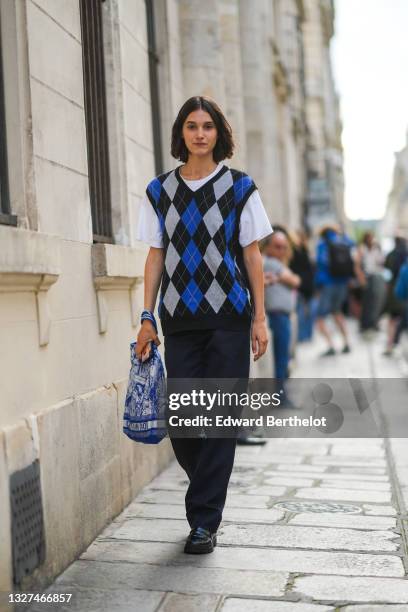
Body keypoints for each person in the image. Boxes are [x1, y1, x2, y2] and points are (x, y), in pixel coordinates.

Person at [135, 96, 272, 554]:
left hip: (231, 316)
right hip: (179, 320)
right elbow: (156, 256)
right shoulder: (159, 191)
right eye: (191, 126)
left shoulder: (240, 187)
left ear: (219, 133)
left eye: (207, 126)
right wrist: (146, 317)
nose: (199, 133)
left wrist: (259, 316)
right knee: (185, 420)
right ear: (181, 133)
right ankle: (208, 488)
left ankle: (203, 523)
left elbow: (252, 256)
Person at [263, 232, 301, 396]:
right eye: (277, 247)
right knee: (281, 357)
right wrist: (287, 277)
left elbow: (296, 280)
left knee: (284, 356)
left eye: (284, 247)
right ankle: (280, 395)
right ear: (268, 247)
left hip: (283, 316)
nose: (282, 251)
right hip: (277, 316)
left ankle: (281, 393)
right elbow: (295, 281)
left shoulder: (279, 264)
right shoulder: (270, 263)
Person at [315, 225, 354, 356]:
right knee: (337, 312)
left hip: (327, 284)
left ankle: (331, 345)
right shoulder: (344, 241)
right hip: (342, 283)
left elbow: (320, 262)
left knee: (319, 317)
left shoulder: (322, 244)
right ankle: (347, 343)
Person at [354, 232, 386, 333]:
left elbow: (381, 262)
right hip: (366, 277)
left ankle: (374, 322)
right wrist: (361, 278)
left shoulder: (376, 249)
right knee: (366, 302)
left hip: (376, 276)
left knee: (376, 301)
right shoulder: (362, 249)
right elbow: (357, 265)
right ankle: (364, 324)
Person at [383, 235, 408, 355]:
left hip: (397, 290)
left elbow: (386, 273)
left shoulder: (391, 255)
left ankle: (390, 345)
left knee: (393, 319)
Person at [290, 229, 316, 342]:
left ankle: (301, 336)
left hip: (300, 285)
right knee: (308, 311)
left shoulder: (295, 252)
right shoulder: (306, 250)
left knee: (301, 310)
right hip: (307, 284)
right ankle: (306, 335)